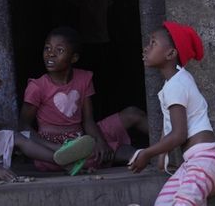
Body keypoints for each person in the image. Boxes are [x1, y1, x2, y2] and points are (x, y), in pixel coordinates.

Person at [129, 22, 215, 205]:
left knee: (185, 202)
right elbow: (170, 126)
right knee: (163, 203)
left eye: (153, 43)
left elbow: (179, 134)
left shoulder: (176, 85)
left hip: (207, 156)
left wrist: (148, 153)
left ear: (171, 54)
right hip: (194, 161)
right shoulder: (174, 84)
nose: (146, 48)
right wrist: (163, 155)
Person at [18, 26, 148, 172]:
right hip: (52, 145)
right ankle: (144, 155)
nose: (50, 54)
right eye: (47, 48)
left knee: (133, 114)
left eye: (59, 50)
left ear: (74, 57)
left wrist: (99, 141)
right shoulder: (37, 86)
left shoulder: (84, 78)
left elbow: (88, 120)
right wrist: (57, 148)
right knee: (109, 152)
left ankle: (168, 145)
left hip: (81, 136)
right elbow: (23, 126)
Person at [0, 56, 96, 182]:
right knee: (14, 137)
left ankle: (64, 155)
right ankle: (62, 159)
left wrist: (6, 127)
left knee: (22, 134)